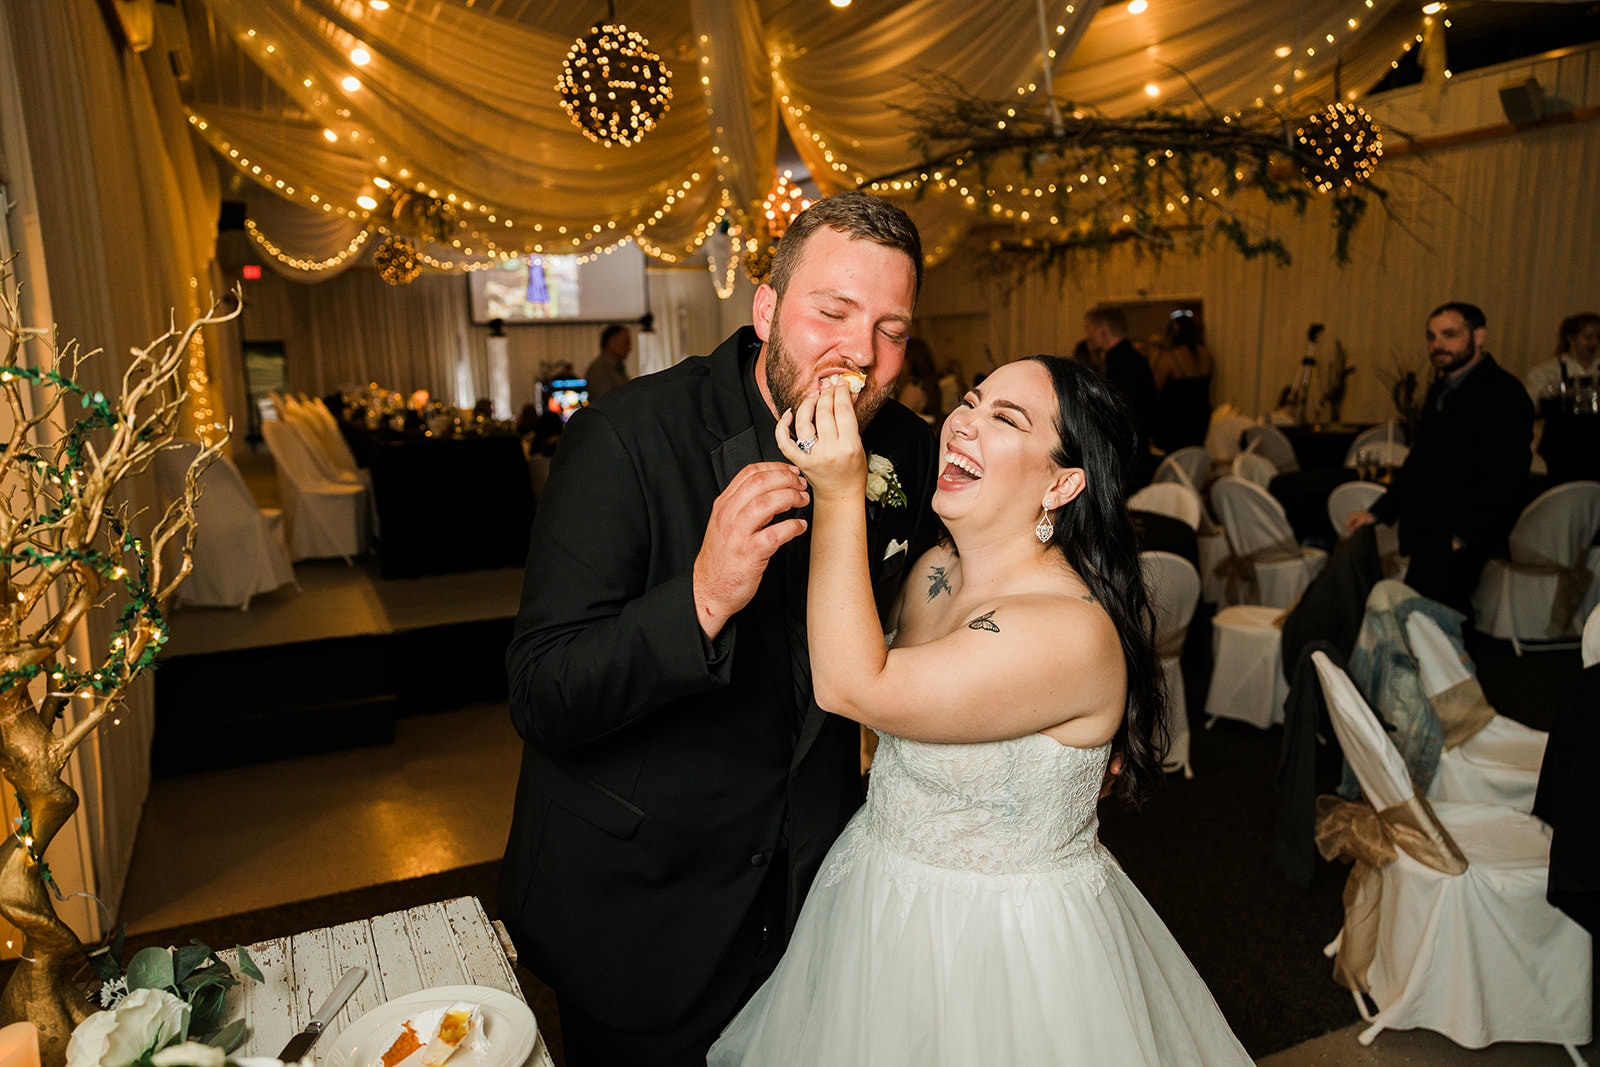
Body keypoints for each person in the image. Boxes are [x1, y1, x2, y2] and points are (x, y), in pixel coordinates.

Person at [500, 193, 941, 1067]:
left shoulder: (911, 453)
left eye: (893, 327)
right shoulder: (623, 440)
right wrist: (700, 596)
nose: (862, 352)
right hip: (642, 912)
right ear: (769, 310)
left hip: (816, 899)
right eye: (833, 311)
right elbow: (543, 692)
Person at [710, 357, 1251, 1064]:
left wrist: (840, 491)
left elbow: (853, 686)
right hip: (880, 900)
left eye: (1006, 417)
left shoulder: (1068, 631)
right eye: (971, 400)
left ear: (1063, 483)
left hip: (1001, 948)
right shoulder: (937, 568)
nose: (964, 418)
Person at [1347, 302, 1533, 615]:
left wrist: (1465, 536)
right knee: (1425, 622)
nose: (1438, 345)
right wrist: (1378, 513)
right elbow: (1422, 461)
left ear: (1479, 336)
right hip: (1431, 530)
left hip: (1461, 534)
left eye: (1449, 335)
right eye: (1431, 337)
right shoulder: (1442, 389)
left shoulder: (1504, 392)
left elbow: (1508, 476)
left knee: (1438, 625)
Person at [1085, 305, 1158, 487]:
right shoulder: (1135, 358)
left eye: (1089, 330)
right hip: (1139, 448)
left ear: (1102, 330)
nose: (1088, 336)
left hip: (1127, 454)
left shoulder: (1118, 363)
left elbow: (1117, 412)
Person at [1151, 309, 1213, 452]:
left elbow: (1155, 387)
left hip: (1176, 422)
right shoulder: (1205, 354)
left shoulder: (1169, 357)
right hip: (1200, 418)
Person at [1523, 311, 1600, 406]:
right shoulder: (1545, 373)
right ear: (1570, 338)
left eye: (1599, 337)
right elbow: (1528, 407)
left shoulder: (1597, 367)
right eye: (1589, 337)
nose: (1595, 342)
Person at [583, 323, 632, 400]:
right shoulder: (598, 370)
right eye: (626, 342)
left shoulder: (617, 368)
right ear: (612, 342)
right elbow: (606, 405)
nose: (629, 348)